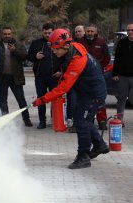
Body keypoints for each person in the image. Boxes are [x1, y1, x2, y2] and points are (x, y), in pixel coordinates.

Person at [32, 28, 109, 169]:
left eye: (56, 49)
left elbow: (63, 88)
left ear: (66, 46)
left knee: (82, 122)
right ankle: (99, 145)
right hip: (86, 91)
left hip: (94, 94)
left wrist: (43, 99)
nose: (54, 52)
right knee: (82, 119)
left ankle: (83, 157)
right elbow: (66, 74)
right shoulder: (74, 48)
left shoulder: (77, 60)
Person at [28, 23, 62, 129]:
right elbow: (28, 56)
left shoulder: (58, 43)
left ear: (53, 32)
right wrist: (35, 56)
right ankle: (42, 121)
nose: (47, 35)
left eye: (49, 33)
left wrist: (61, 71)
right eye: (45, 33)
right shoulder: (36, 43)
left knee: (55, 98)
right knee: (41, 99)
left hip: (54, 76)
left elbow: (64, 59)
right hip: (40, 77)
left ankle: (55, 120)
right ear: (42, 32)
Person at [0, 27, 33, 127]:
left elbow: (25, 57)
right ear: (1, 34)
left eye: (9, 33)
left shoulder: (19, 44)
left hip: (15, 77)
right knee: (3, 100)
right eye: (5, 34)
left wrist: (15, 50)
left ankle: (26, 119)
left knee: (21, 100)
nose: (7, 36)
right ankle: (6, 120)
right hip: (2, 77)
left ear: (12, 34)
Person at [78, 24, 110, 130]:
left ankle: (102, 121)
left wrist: (99, 67)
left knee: (100, 99)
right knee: (86, 99)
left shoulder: (101, 42)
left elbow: (107, 57)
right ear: (85, 32)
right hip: (84, 76)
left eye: (92, 31)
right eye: (88, 31)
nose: (90, 33)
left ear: (95, 32)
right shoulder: (80, 42)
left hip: (98, 76)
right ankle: (89, 120)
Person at [112, 22, 133, 127]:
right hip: (123, 76)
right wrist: (115, 73)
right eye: (128, 30)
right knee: (121, 98)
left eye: (132, 30)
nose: (130, 32)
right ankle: (120, 119)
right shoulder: (122, 43)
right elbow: (117, 59)